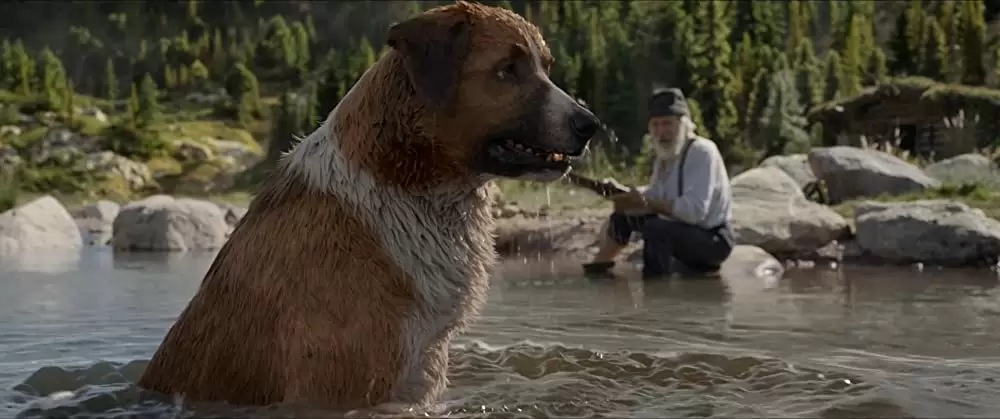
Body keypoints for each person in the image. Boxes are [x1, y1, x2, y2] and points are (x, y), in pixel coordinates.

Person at [583, 88, 734, 279]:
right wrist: (624, 193)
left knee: (657, 229)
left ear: (684, 124)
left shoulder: (701, 152)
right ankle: (599, 266)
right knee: (623, 216)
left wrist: (646, 202)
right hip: (683, 230)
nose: (661, 132)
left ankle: (655, 292)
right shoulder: (665, 157)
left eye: (667, 124)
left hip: (713, 240)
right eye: (656, 125)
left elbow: (694, 212)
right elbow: (656, 194)